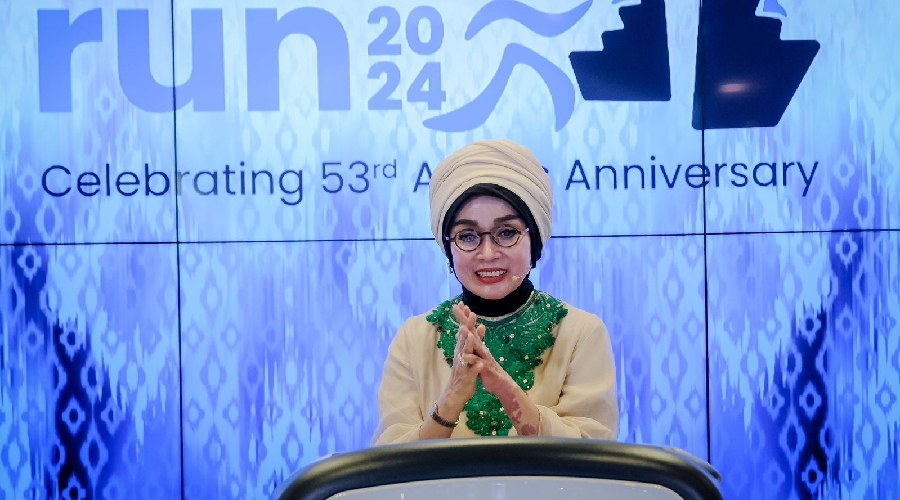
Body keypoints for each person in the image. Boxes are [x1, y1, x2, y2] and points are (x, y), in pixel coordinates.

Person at [373, 139, 618, 443]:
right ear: (448, 248)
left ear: (535, 240)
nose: (488, 254)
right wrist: (451, 399)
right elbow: (391, 461)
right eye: (467, 236)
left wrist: (506, 389)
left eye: (507, 232)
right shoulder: (415, 339)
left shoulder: (581, 333)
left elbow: (593, 456)